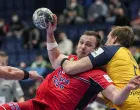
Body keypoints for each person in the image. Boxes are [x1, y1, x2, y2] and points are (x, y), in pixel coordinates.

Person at [0, 14, 140, 110]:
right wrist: (50, 33)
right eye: (81, 42)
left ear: (97, 50)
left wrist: (127, 87)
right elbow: (55, 59)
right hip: (36, 104)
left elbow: (116, 98)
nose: (83, 46)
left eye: (88, 45)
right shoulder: (71, 59)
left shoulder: (98, 73)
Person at [58, 26, 140, 110]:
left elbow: (70, 69)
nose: (105, 43)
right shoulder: (130, 58)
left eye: (108, 38)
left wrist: (62, 59)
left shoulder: (108, 50)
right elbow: (112, 97)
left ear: (114, 39)